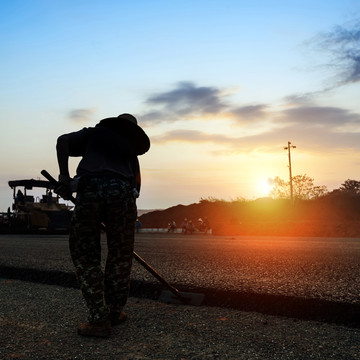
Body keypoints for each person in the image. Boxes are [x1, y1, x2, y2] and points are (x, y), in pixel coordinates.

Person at [55, 113, 150, 338]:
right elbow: (136, 187)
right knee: (120, 256)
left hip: (91, 192)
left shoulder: (96, 134)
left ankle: (99, 318)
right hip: (124, 196)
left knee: (86, 255)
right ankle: (115, 313)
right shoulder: (130, 151)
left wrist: (65, 179)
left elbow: (62, 141)